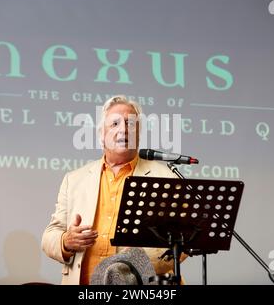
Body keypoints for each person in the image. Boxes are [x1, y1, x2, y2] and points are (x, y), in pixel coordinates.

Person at [41, 95, 185, 285]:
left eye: (130, 124)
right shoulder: (74, 180)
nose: (123, 129)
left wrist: (131, 267)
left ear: (139, 133)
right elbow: (50, 235)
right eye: (115, 123)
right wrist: (66, 241)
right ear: (101, 134)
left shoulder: (166, 177)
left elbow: (182, 243)